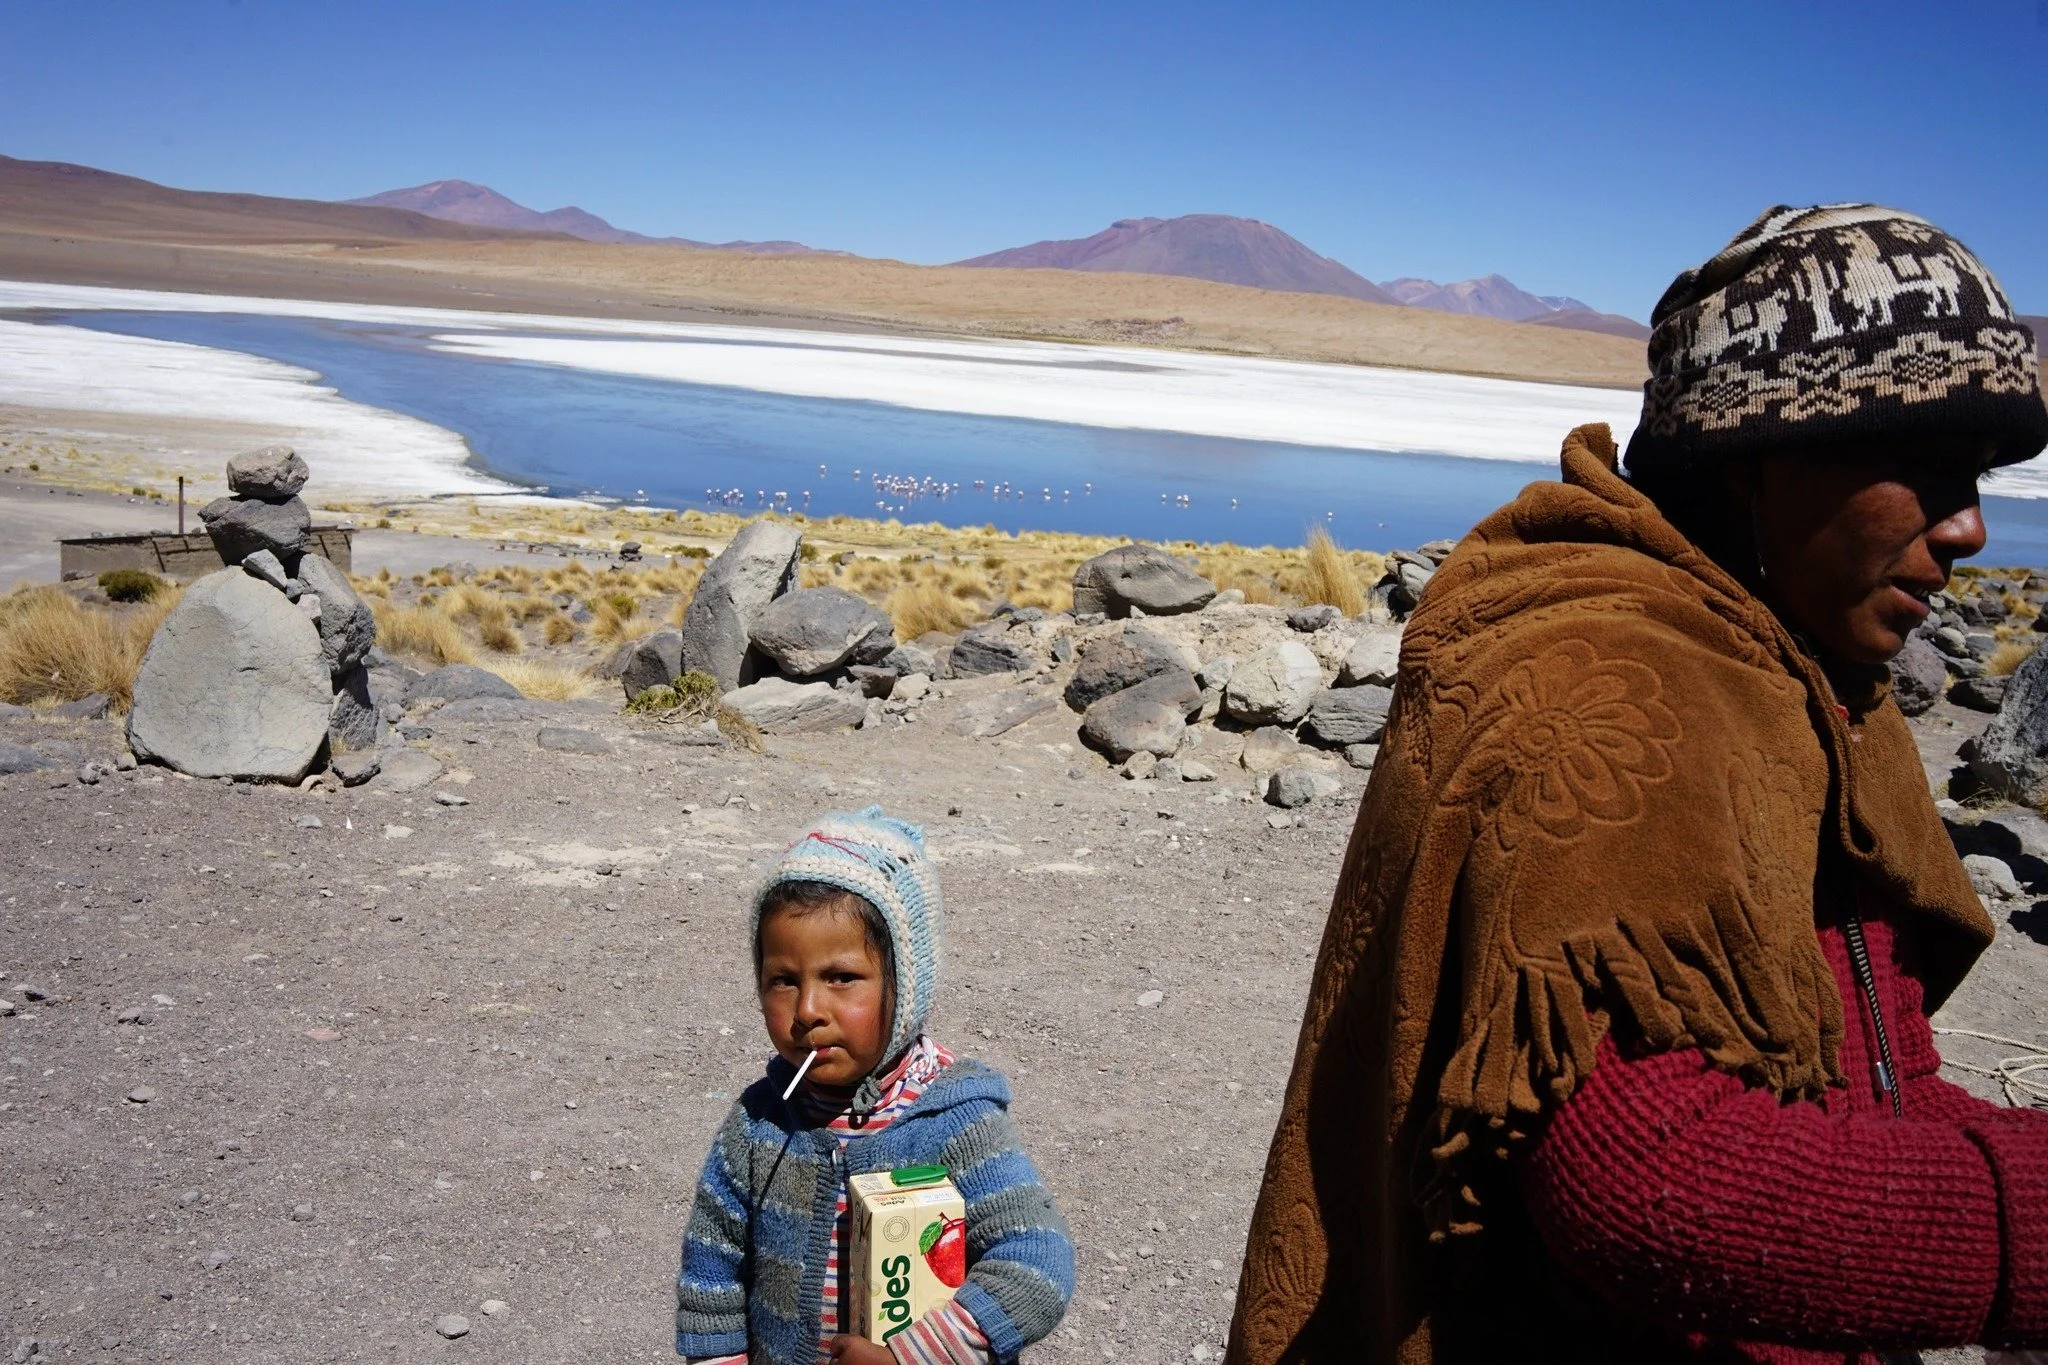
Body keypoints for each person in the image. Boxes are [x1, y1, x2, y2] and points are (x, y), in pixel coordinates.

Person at [1228, 204, 2048, 1363]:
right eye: (1919, 467)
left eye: (1977, 476)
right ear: (1756, 454)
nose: (1968, 527)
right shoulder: (1607, 676)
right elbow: (1638, 1170)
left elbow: (1876, 1058)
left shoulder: (1813, 681)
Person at [676, 807, 1074, 1365]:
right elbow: (710, 1272)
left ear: (904, 983)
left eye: (842, 978)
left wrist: (914, 1357)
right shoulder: (759, 1124)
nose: (808, 1010)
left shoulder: (955, 1121)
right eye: (783, 980)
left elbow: (1036, 1261)